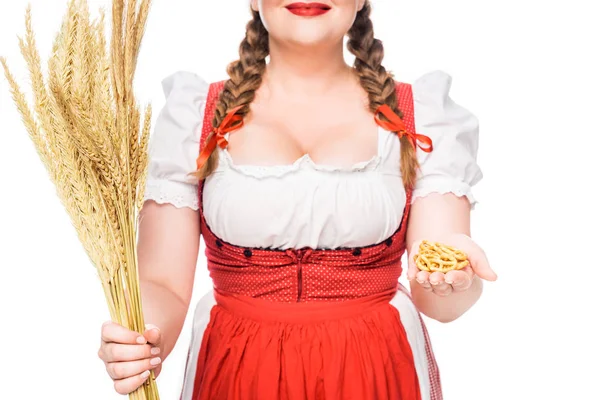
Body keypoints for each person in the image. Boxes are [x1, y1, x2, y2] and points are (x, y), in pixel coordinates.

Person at [97, 1, 497, 399]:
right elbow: (163, 283)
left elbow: (439, 294)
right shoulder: (196, 116)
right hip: (238, 371)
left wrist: (455, 280)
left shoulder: (420, 115)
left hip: (374, 371)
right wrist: (141, 339)